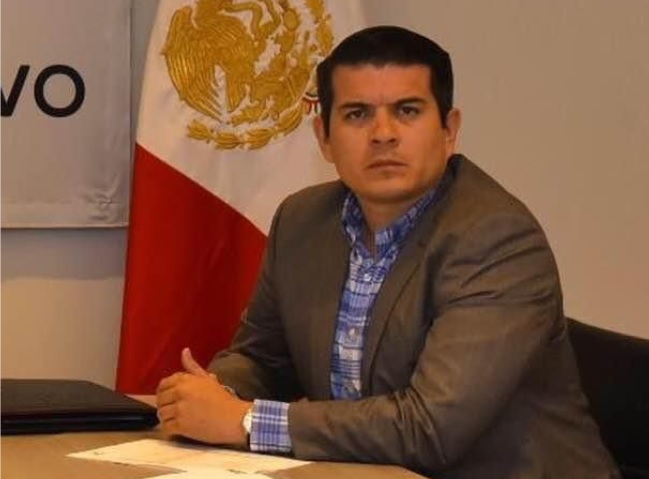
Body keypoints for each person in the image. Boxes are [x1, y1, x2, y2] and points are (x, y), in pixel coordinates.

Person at [156, 25, 620, 478]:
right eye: (357, 114)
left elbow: (431, 428)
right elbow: (263, 359)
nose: (383, 134)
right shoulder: (301, 221)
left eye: (407, 111)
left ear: (449, 130)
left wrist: (244, 421)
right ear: (323, 137)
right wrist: (212, 392)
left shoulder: (497, 239)